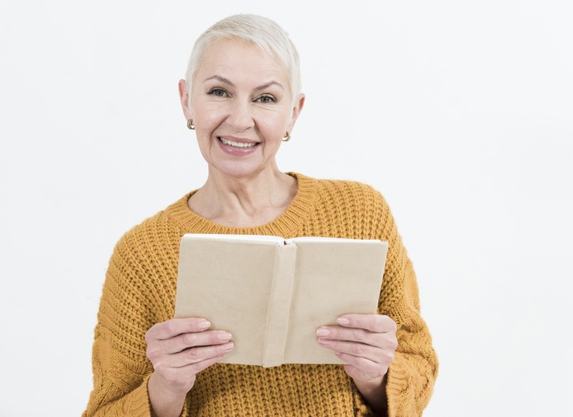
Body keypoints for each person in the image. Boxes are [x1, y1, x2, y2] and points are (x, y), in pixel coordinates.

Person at [83, 14, 438, 417]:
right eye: (219, 91)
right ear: (186, 100)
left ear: (294, 111)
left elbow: (419, 362)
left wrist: (376, 377)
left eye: (265, 98)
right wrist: (164, 389)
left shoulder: (362, 212)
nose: (239, 119)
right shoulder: (142, 253)